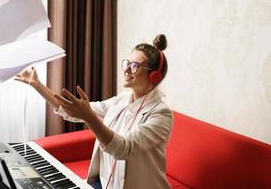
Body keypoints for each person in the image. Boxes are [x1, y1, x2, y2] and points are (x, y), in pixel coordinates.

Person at [15, 34, 173, 189]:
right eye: (127, 63)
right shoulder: (121, 100)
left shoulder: (161, 114)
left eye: (135, 66)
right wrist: (37, 85)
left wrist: (89, 117)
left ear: (154, 76)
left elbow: (124, 149)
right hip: (104, 183)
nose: (127, 70)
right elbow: (73, 110)